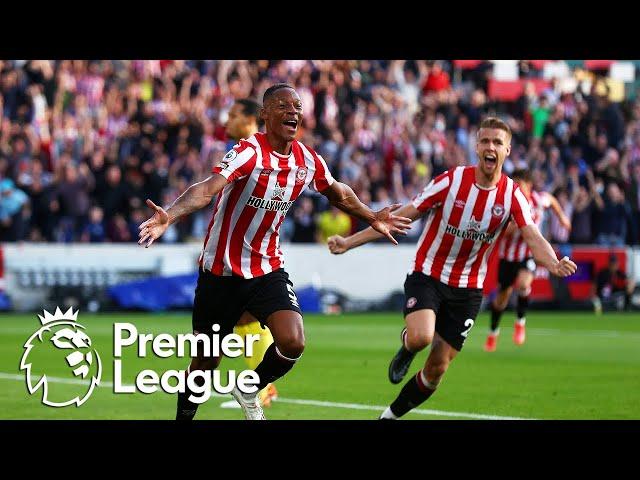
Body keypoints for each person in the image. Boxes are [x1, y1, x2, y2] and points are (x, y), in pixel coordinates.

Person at [138, 83, 411, 420]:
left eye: (297, 106)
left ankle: (249, 387)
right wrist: (171, 214)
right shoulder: (249, 151)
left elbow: (337, 193)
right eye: (283, 105)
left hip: (266, 269)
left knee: (293, 340)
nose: (292, 111)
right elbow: (207, 189)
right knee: (205, 363)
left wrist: (372, 215)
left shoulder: (307, 159)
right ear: (264, 115)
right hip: (220, 273)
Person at [327, 117, 577, 420]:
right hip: (428, 273)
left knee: (436, 370)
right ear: (476, 146)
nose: (490, 147)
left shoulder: (512, 196)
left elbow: (532, 235)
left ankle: (389, 417)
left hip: (469, 288)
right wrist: (348, 242)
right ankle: (407, 348)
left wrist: (553, 262)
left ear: (508, 150)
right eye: (485, 141)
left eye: (497, 142)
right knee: (421, 337)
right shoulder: (451, 181)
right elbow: (401, 217)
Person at [222, 98, 279, 408]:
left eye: (232, 116)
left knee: (245, 317)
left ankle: (262, 388)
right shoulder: (245, 151)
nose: (226, 121)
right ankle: (262, 388)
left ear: (248, 119)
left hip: (252, 252)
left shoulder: (254, 152)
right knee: (245, 319)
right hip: (239, 250)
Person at [484, 169, 572, 352]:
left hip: (528, 254)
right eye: (514, 184)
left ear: (529, 185)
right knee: (502, 298)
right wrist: (514, 228)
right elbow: (499, 233)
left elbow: (552, 200)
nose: (516, 188)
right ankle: (493, 332)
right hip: (507, 257)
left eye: (520, 185)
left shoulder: (538, 201)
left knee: (524, 285)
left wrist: (562, 217)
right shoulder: (507, 203)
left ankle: (520, 322)